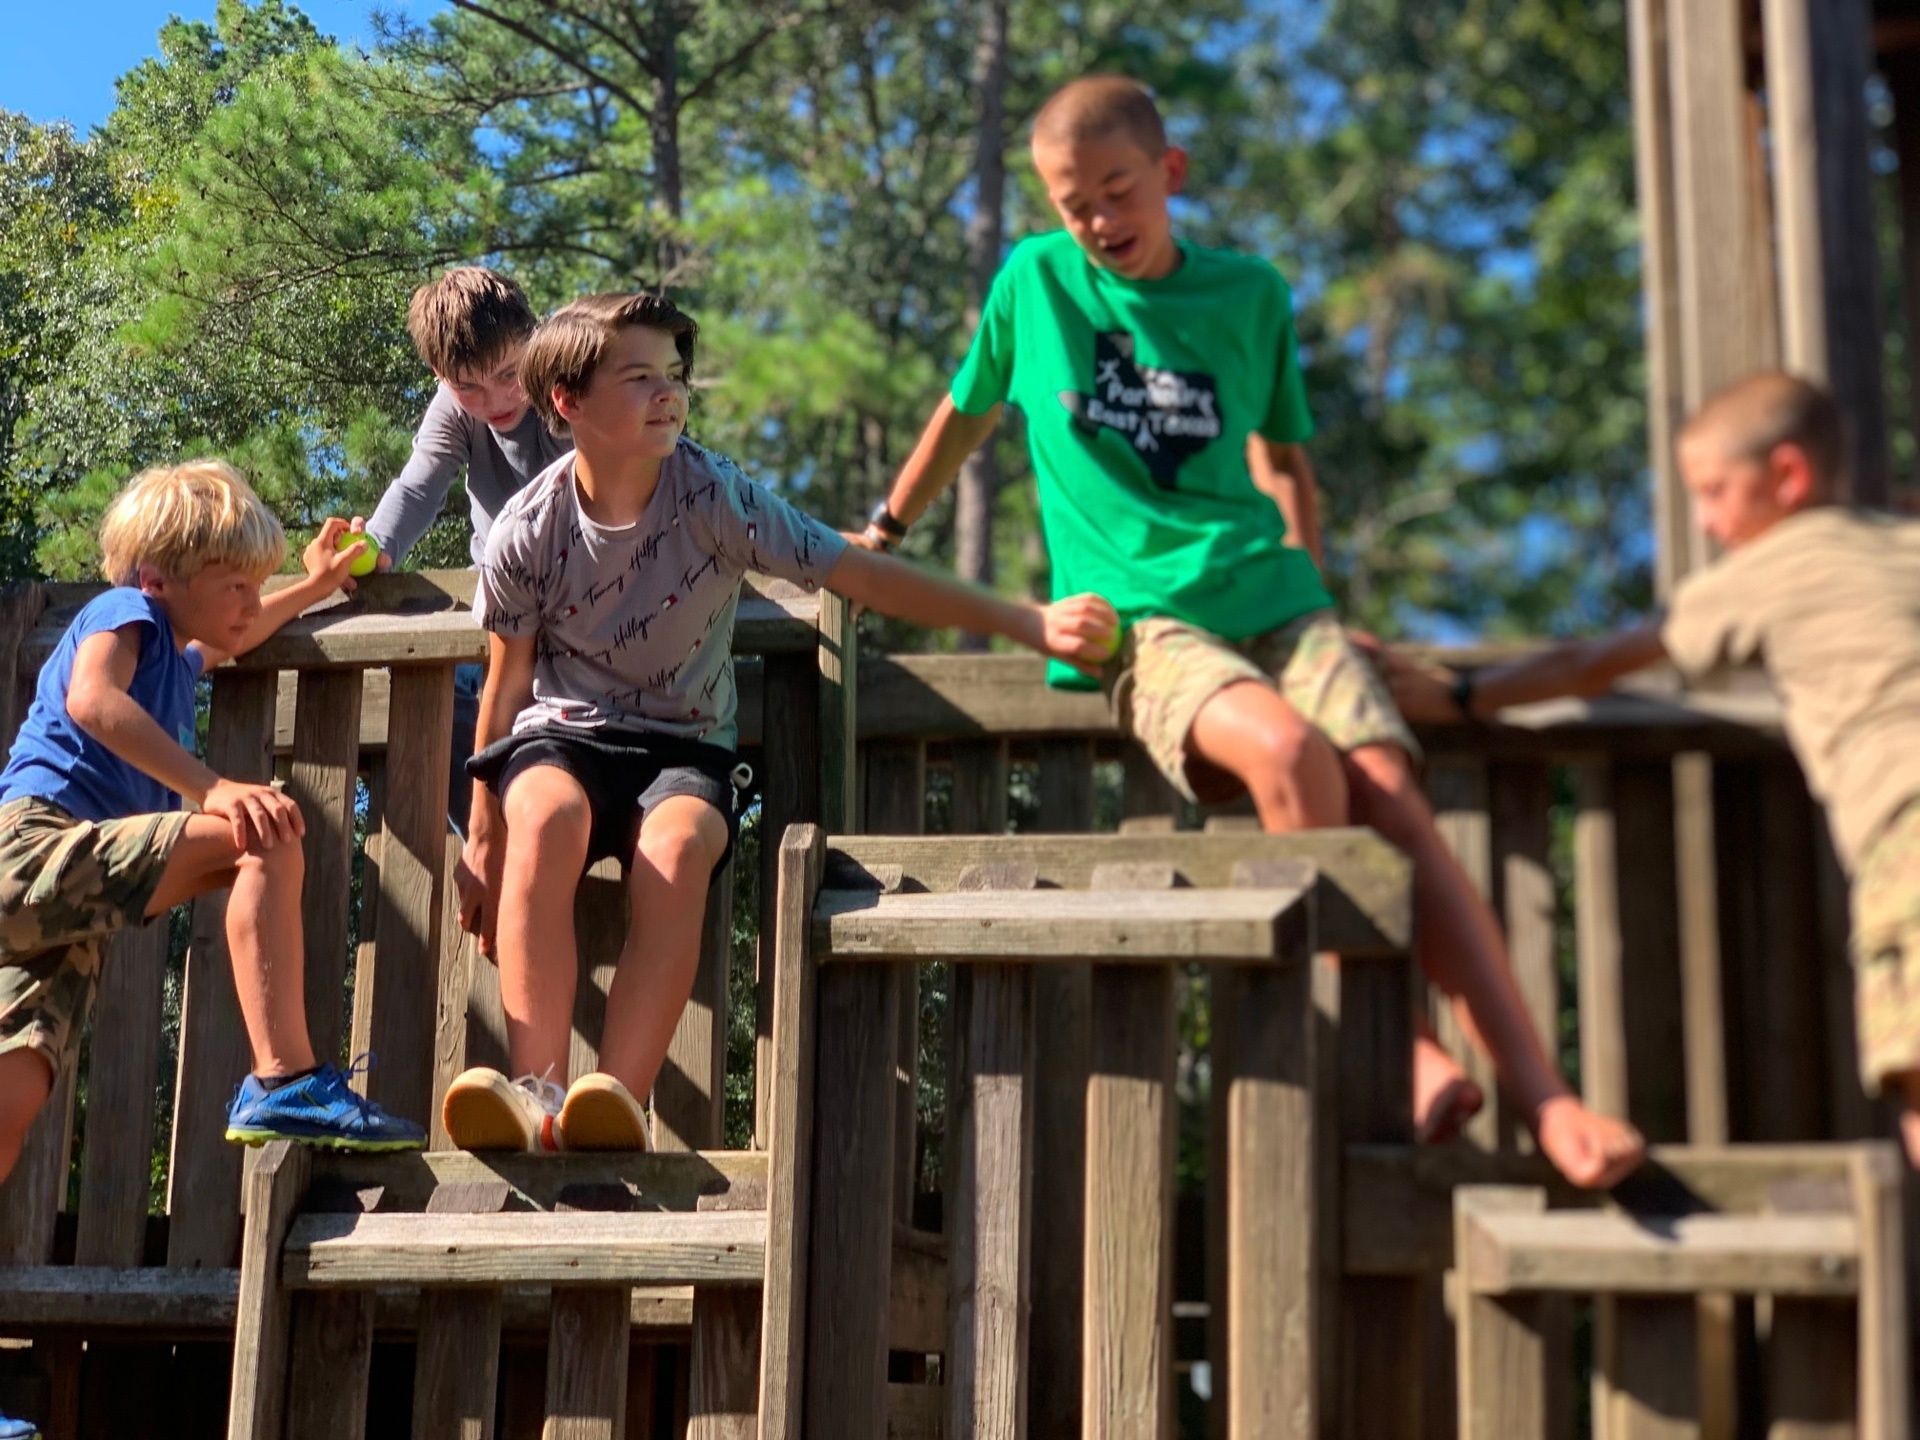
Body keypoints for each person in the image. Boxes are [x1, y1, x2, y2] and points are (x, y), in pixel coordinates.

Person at [860, 74, 1643, 1189]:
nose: (1095, 222)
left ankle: (1548, 1097)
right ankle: (1391, 1040)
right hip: (1149, 621)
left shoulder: (1249, 295)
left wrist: (1316, 609)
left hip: (1275, 600)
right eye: (1072, 202)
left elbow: (1284, 462)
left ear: (1169, 175)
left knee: (1389, 790)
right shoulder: (1035, 286)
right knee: (1287, 752)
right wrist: (887, 525)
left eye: (1116, 193)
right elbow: (968, 411)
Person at [441, 292, 1118, 1152]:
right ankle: (534, 1092)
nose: (669, 394)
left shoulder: (714, 496)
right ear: (568, 403)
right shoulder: (528, 529)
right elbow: (503, 693)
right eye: (639, 376)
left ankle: (611, 1102)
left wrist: (1026, 620)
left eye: (675, 376)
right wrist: (481, 834)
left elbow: (856, 574)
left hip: (680, 749)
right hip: (562, 738)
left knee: (680, 847)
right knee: (544, 813)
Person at [1381, 372, 1920, 1168]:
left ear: (1788, 476)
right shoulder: (1900, 542)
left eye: (1715, 492)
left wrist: (1464, 695)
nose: (1705, 520)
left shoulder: (1768, 566)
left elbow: (1599, 660)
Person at [0, 461, 424, 1181]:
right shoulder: (122, 612)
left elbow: (242, 634)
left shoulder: (178, 657)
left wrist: (318, 585)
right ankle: (284, 1080)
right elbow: (92, 702)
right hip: (37, 845)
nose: (248, 600)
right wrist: (214, 788)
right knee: (265, 830)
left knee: (16, 1090)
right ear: (159, 577)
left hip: (66, 911)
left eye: (254, 585)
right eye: (235, 584)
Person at [362, 266, 570, 835]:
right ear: (441, 376)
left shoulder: (565, 379)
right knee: (442, 700)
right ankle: (492, 835)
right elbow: (419, 485)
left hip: (578, 596)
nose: (496, 397)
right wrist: (376, 546)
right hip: (501, 607)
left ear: (534, 339)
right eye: (468, 385)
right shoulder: (454, 411)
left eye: (509, 373)